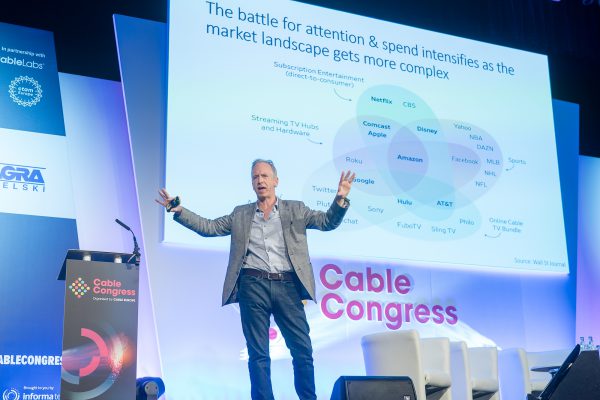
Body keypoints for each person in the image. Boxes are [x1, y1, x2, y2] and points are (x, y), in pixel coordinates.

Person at [156, 159, 355, 400]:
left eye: (264, 176)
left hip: (288, 285)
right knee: (258, 354)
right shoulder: (241, 214)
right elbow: (208, 227)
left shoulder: (296, 209)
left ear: (276, 181)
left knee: (302, 350)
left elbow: (327, 222)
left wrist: (341, 198)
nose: (260, 181)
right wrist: (178, 210)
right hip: (253, 285)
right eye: (255, 177)